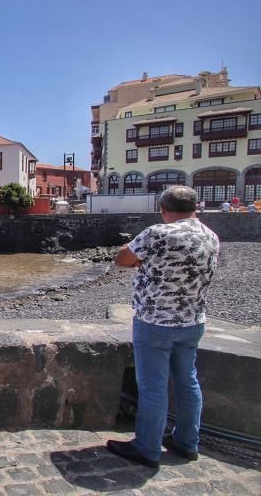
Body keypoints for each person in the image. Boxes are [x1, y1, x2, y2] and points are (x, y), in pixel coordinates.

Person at [107, 186, 219, 468]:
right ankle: (186, 441)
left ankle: (147, 447)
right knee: (187, 381)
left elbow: (122, 259)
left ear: (163, 208)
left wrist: (140, 260)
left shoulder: (157, 233)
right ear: (196, 208)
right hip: (193, 321)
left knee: (153, 387)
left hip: (155, 321)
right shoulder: (211, 236)